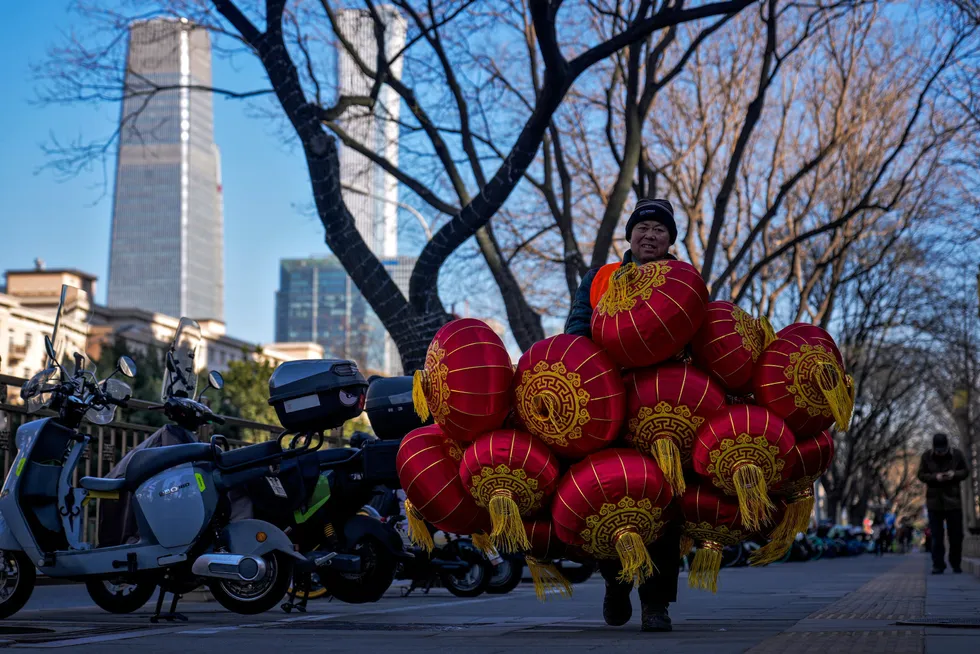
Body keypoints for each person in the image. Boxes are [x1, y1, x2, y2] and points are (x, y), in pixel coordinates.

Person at [564, 198, 680, 632]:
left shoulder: (682, 281)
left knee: (664, 505)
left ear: (671, 240)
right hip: (609, 405)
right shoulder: (600, 279)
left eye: (660, 230)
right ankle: (615, 584)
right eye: (643, 227)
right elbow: (576, 330)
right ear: (629, 235)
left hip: (669, 408)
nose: (650, 235)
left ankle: (656, 603)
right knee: (612, 496)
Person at [916, 433, 970, 574]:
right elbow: (920, 475)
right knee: (936, 535)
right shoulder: (926, 456)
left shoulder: (956, 455)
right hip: (935, 502)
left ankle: (955, 563)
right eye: (938, 451)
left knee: (956, 535)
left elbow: (966, 471)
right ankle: (938, 564)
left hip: (953, 501)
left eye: (943, 450)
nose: (940, 453)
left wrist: (954, 475)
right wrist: (935, 477)